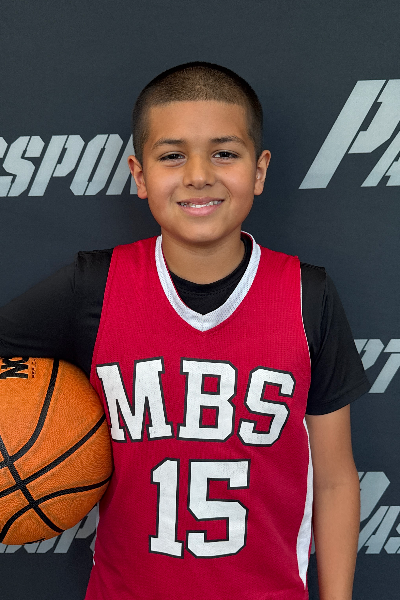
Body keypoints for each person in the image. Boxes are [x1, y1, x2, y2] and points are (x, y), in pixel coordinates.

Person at [0, 62, 369, 600]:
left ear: (259, 170)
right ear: (139, 175)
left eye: (225, 153)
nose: (198, 175)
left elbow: (334, 478)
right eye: (172, 156)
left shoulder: (306, 295)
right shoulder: (95, 287)